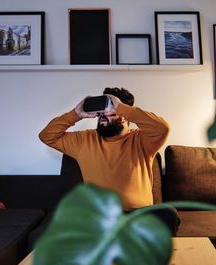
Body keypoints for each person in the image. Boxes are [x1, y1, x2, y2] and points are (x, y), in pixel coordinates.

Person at [39, 87, 180, 235]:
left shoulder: (142, 140)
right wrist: (76, 114)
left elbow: (163, 128)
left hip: (138, 217)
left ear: (125, 116)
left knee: (168, 214)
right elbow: (47, 136)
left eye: (109, 112)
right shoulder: (84, 140)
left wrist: (122, 108)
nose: (101, 116)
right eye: (100, 113)